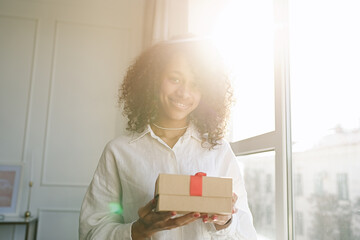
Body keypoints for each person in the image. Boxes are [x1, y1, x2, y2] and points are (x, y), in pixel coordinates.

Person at [79, 36, 257, 239]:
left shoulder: (219, 150)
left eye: (195, 84)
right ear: (153, 79)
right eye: (175, 79)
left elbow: (246, 234)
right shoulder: (119, 151)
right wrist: (137, 230)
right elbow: (91, 232)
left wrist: (225, 222)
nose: (183, 93)